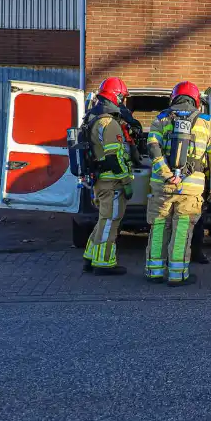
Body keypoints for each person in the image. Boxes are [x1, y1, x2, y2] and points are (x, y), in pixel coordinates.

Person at [144, 81, 211, 286]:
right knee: (182, 228)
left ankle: (154, 271)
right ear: (196, 100)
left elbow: (152, 148)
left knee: (159, 226)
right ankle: (177, 274)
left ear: (174, 98)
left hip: (162, 186)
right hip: (191, 187)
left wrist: (166, 174)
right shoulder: (207, 123)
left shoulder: (161, 119)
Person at [81, 77, 134, 276]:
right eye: (122, 98)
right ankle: (103, 263)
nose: (123, 102)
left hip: (100, 179)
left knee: (104, 219)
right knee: (111, 220)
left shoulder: (92, 118)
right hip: (111, 181)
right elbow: (114, 158)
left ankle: (90, 256)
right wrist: (127, 182)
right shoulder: (109, 123)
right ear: (116, 96)